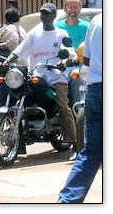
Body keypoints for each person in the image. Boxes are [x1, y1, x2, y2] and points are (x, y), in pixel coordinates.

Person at [2, 3, 78, 160]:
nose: (45, 17)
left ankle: (75, 144)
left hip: (56, 76)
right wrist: (8, 60)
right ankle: (18, 141)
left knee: (63, 105)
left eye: (48, 14)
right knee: (18, 97)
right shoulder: (34, 34)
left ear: (54, 16)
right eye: (43, 14)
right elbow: (20, 49)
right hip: (36, 75)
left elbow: (70, 53)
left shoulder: (60, 33)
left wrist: (65, 62)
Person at [58, 13, 102, 203]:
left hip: (95, 90)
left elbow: (86, 57)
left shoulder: (97, 21)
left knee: (91, 151)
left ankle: (68, 200)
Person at [55, 0, 90, 106]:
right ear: (65, 9)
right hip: (60, 64)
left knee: (76, 77)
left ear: (80, 9)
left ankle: (78, 109)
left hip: (80, 64)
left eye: (76, 7)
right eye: (70, 7)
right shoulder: (56, 26)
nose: (72, 10)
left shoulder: (88, 27)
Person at [0, 8, 27, 107]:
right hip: (24, 66)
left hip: (13, 65)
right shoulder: (22, 29)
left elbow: (13, 43)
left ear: (7, 19)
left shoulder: (10, 28)